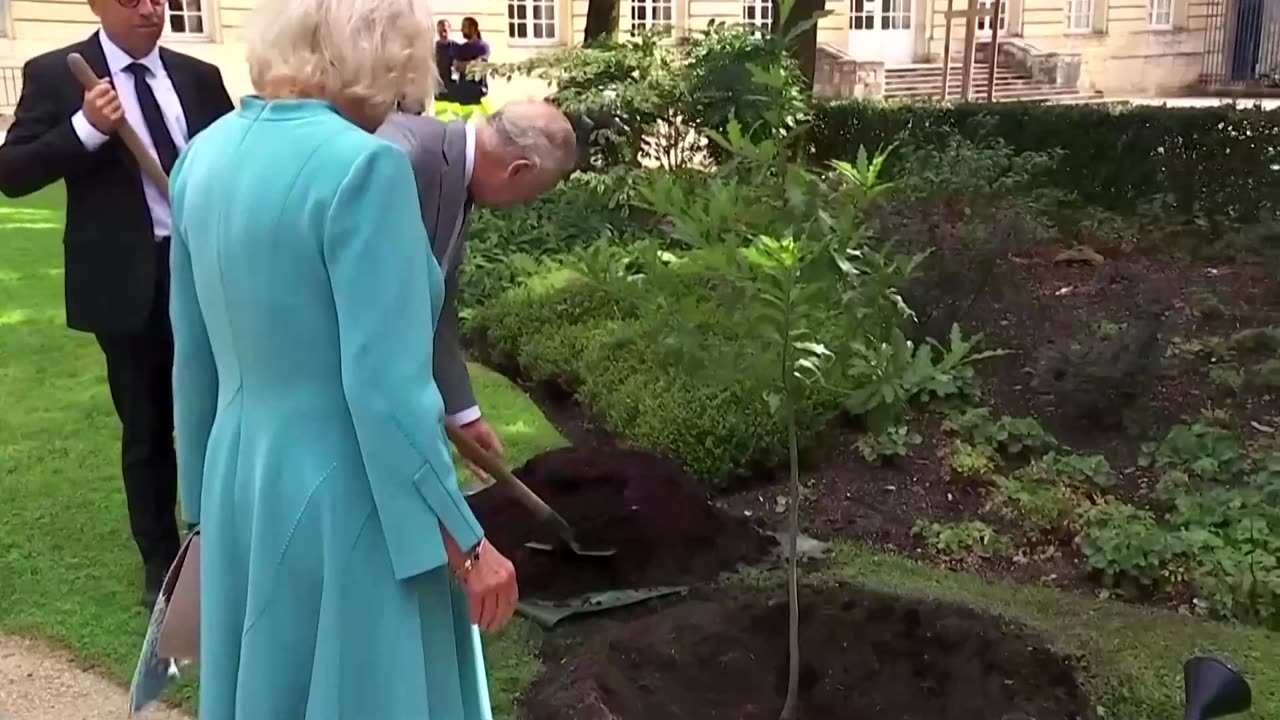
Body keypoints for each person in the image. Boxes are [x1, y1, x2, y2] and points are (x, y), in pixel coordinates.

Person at [166, 0, 518, 716]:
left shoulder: (201, 155)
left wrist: (203, 509)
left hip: (240, 481)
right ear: (382, 54)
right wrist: (469, 545)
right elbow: (385, 392)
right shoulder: (366, 170)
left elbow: (191, 359)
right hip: (350, 497)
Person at [0, 0, 233, 610]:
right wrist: (85, 129)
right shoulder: (56, 74)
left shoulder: (198, 77)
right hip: (129, 279)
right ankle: (162, 561)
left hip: (206, 269)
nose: (151, 9)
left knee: (228, 406)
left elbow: (238, 161)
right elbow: (13, 171)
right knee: (149, 422)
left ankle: (229, 536)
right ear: (98, 4)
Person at [377, 101, 577, 477]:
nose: (527, 203)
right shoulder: (403, 157)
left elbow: (434, 306)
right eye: (534, 192)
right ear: (519, 170)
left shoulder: (456, 181)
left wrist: (464, 414)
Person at [451, 17, 491, 111]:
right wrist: (470, 64)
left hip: (478, 92)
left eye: (464, 26)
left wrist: (465, 65)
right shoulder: (461, 48)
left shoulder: (483, 46)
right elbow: (456, 66)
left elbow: (479, 64)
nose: (461, 30)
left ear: (472, 28)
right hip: (463, 93)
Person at [435, 19, 458, 102]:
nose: (442, 34)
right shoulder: (433, 48)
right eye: (440, 31)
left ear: (450, 30)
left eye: (444, 30)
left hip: (453, 86)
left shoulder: (456, 47)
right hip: (437, 88)